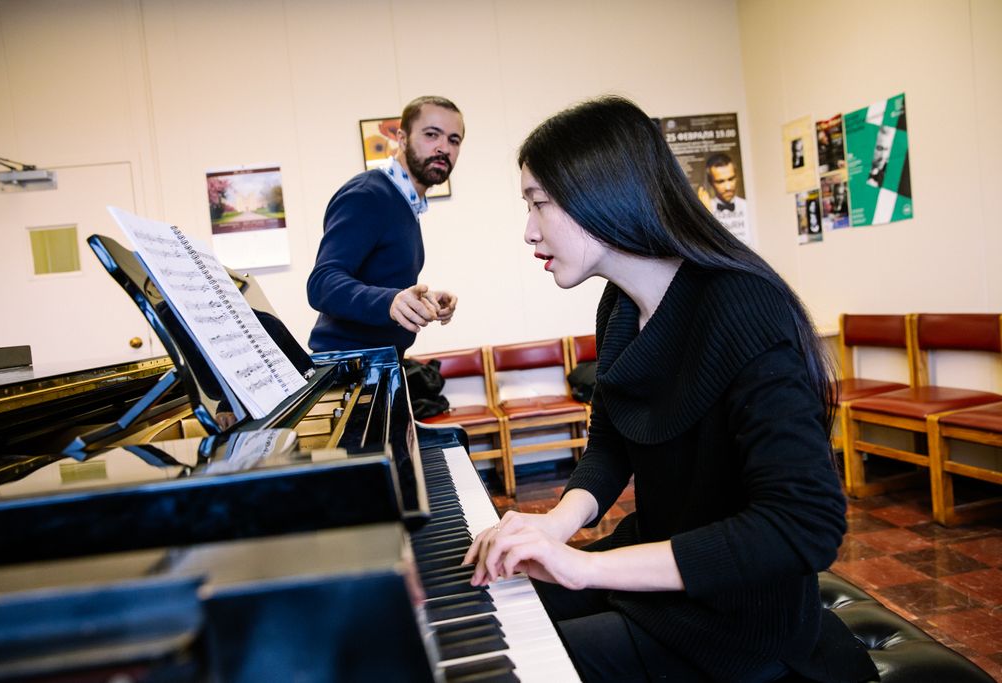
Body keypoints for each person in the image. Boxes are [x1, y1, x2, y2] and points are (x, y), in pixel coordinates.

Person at [464, 97, 877, 683]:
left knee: (512, 669)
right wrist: (555, 526)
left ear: (599, 196)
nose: (528, 230)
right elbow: (611, 446)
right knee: (486, 610)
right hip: (656, 567)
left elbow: (803, 525)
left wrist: (583, 569)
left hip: (739, 618)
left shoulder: (742, 308)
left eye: (540, 203)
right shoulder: (619, 306)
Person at [306, 96, 463, 357]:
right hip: (350, 371)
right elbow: (322, 283)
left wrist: (421, 300)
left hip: (380, 364)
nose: (443, 148)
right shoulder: (368, 194)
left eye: (453, 140)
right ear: (402, 138)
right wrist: (389, 302)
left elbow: (378, 281)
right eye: (432, 134)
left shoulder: (405, 202)